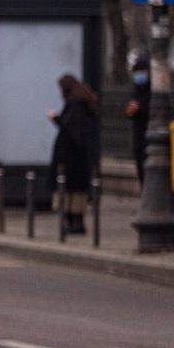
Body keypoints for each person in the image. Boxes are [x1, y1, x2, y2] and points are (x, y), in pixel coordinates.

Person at [49, 74, 100, 236]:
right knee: (76, 191)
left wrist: (56, 118)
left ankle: (74, 223)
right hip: (79, 156)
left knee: (70, 189)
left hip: (70, 156)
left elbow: (70, 129)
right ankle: (74, 223)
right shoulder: (83, 103)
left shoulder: (75, 105)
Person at [124, 55, 151, 181]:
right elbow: (127, 109)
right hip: (139, 137)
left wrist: (140, 108)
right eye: (137, 71)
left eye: (143, 71)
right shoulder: (135, 90)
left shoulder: (152, 91)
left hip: (150, 136)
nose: (140, 75)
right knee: (140, 167)